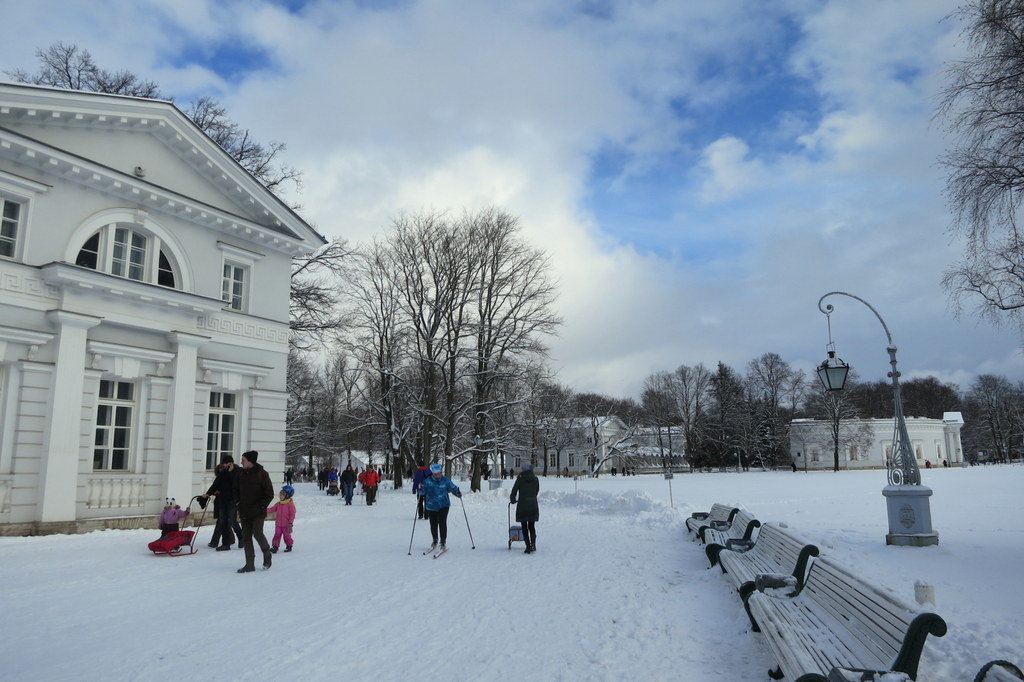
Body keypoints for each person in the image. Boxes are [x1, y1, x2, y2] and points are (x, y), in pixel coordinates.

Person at [233, 450, 274, 573]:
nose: (241, 462)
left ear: (250, 461)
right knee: (246, 537)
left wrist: (261, 506)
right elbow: (234, 489)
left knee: (257, 533)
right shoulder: (240, 473)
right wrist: (238, 503)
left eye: (243, 460)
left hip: (258, 512)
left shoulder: (262, 474)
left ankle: (267, 555)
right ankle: (249, 564)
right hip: (244, 510)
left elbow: (269, 494)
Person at [418, 463, 462, 552]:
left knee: (442, 522)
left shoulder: (446, 480)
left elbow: (453, 488)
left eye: (438, 473)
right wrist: (420, 488)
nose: (437, 475)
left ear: (440, 472)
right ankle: (435, 540)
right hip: (431, 506)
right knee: (433, 523)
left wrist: (457, 493)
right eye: (435, 473)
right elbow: (422, 492)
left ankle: (443, 542)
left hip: (443, 505)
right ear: (432, 473)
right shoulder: (427, 481)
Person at [203, 455, 239, 550]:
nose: (224, 465)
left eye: (225, 463)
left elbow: (235, 485)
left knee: (231, 521)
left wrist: (230, 473)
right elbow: (216, 483)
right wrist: (208, 494)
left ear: (230, 463)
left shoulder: (238, 472)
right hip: (222, 500)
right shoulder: (223, 472)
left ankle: (241, 538)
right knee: (222, 521)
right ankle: (226, 544)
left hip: (232, 501)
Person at [510, 461, 540, 554]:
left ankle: (527, 547)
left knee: (524, 527)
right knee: (532, 526)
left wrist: (513, 500)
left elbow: (513, 492)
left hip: (522, 505)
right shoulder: (535, 479)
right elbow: (537, 490)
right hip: (533, 505)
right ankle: (533, 545)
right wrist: (532, 497)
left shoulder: (520, 479)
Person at [267, 485, 297, 553]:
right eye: (280, 494)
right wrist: (264, 510)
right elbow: (272, 509)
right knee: (277, 535)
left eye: (282, 495)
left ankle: (289, 545)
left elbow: (292, 514)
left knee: (287, 536)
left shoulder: (290, 505)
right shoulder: (278, 504)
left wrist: (290, 523)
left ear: (287, 496)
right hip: (278, 524)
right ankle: (275, 547)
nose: (280, 496)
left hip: (286, 525)